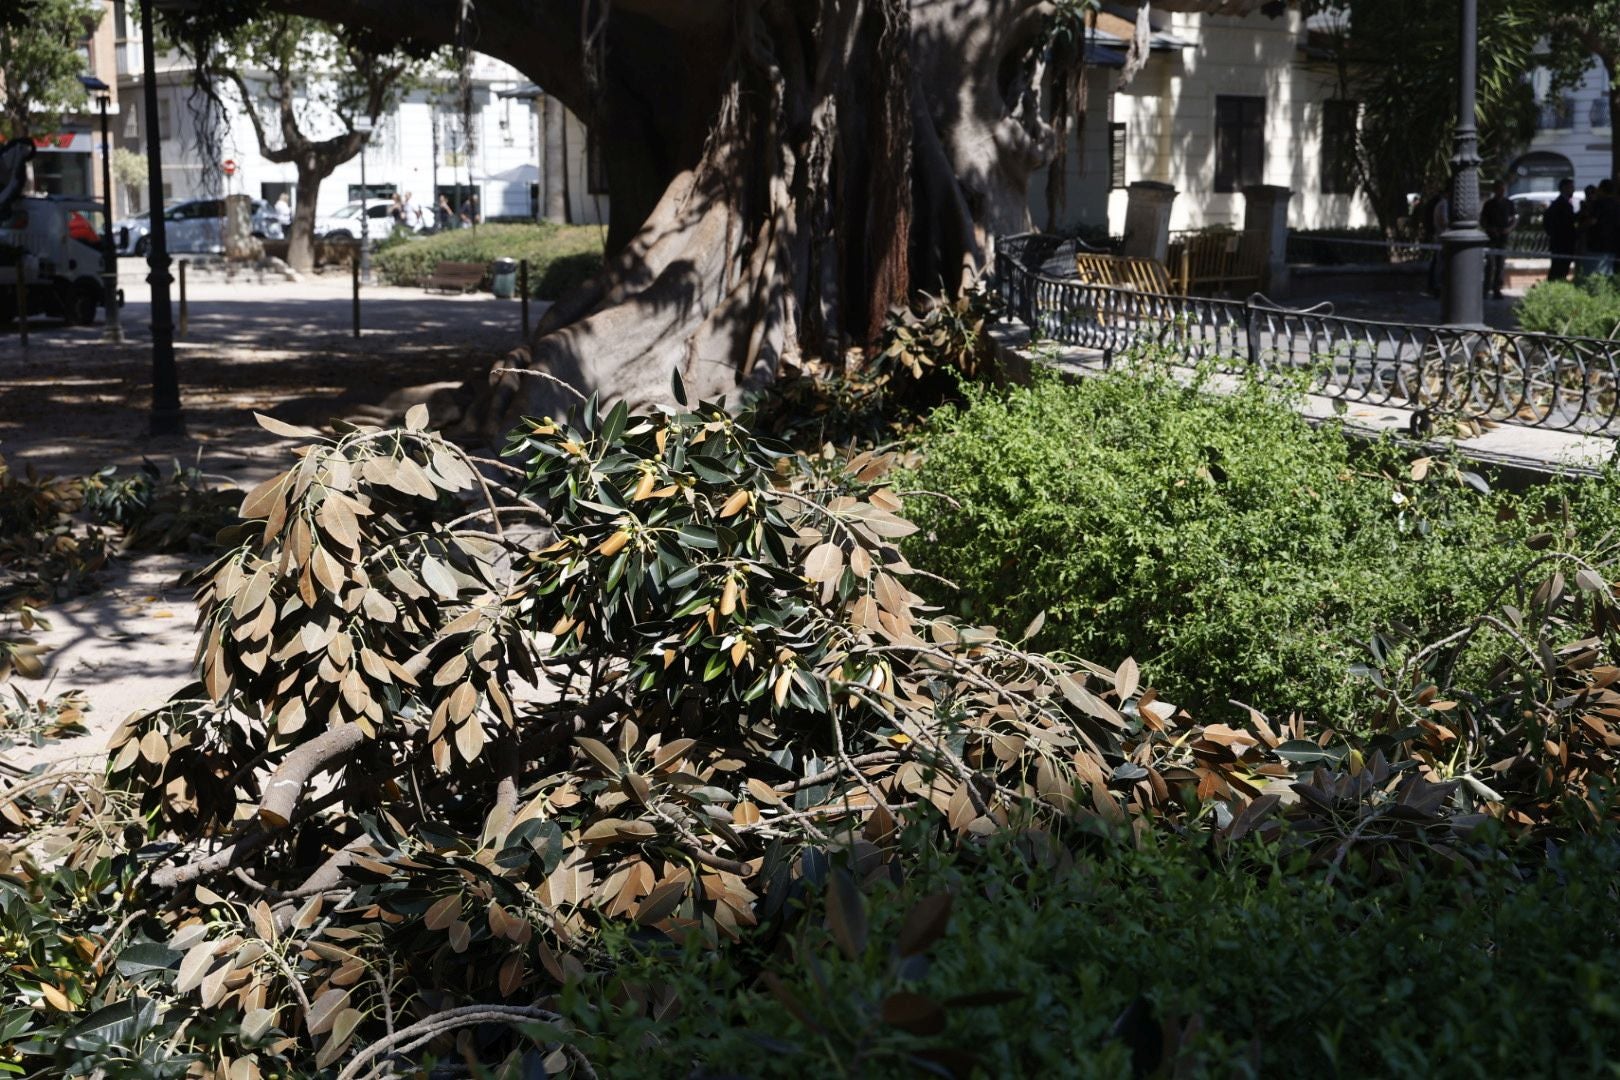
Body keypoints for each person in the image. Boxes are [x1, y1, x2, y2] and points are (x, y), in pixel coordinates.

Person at [1479, 180, 1518, 299]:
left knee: (1500, 265)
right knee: (1490, 264)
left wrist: (1509, 229)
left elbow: (1514, 218)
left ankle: (1497, 289)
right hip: (1491, 238)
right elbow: (1483, 221)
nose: (1501, 191)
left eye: (1503, 189)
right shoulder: (1489, 204)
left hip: (1503, 238)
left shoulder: (1508, 203)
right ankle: (1486, 289)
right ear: (1495, 190)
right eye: (1499, 189)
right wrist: (1490, 229)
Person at [1544, 177, 1578, 282]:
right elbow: (1565, 223)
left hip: (1563, 244)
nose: (1573, 190)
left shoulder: (1564, 203)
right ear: (1564, 188)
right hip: (1561, 244)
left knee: (1561, 270)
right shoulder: (1560, 204)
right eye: (1571, 187)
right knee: (1558, 270)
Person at [1591, 178, 1620, 277]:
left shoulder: (1599, 203)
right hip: (1613, 243)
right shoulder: (1616, 204)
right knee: (1609, 273)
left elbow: (1593, 221)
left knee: (1596, 273)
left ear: (1601, 189)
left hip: (1598, 243)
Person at [1425, 190, 1449, 297]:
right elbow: (1444, 221)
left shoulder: (1439, 204)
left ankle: (1435, 286)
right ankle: (1437, 287)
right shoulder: (1444, 204)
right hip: (1442, 237)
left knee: (1437, 262)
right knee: (1440, 263)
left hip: (1439, 236)